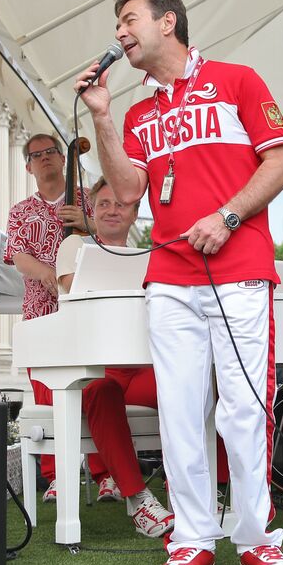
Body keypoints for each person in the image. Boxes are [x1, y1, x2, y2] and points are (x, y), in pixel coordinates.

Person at [76, 0, 283, 565]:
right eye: (117, 24)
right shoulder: (140, 112)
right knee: (179, 410)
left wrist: (227, 217)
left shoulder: (237, 80)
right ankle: (192, 536)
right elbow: (125, 191)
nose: (119, 33)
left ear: (167, 22)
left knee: (244, 409)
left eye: (128, 20)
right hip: (169, 276)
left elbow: (282, 161)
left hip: (240, 271)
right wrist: (101, 116)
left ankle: (256, 537)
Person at [56, 177, 174, 538]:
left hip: (141, 367)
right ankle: (138, 500)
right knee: (99, 391)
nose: (111, 210)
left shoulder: (152, 254)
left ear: (136, 213)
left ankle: (201, 493)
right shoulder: (74, 247)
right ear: (92, 210)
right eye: (103, 203)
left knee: (197, 386)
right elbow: (73, 288)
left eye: (120, 204)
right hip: (98, 366)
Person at [4, 132, 89, 502]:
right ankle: (56, 475)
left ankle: (103, 472)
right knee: (47, 390)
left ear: (63, 158)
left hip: (85, 308)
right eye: (36, 155)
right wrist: (46, 272)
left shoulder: (85, 201)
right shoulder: (21, 211)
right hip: (41, 310)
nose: (44, 158)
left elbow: (110, 239)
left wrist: (87, 222)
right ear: (28, 166)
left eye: (51, 151)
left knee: (92, 384)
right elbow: (17, 256)